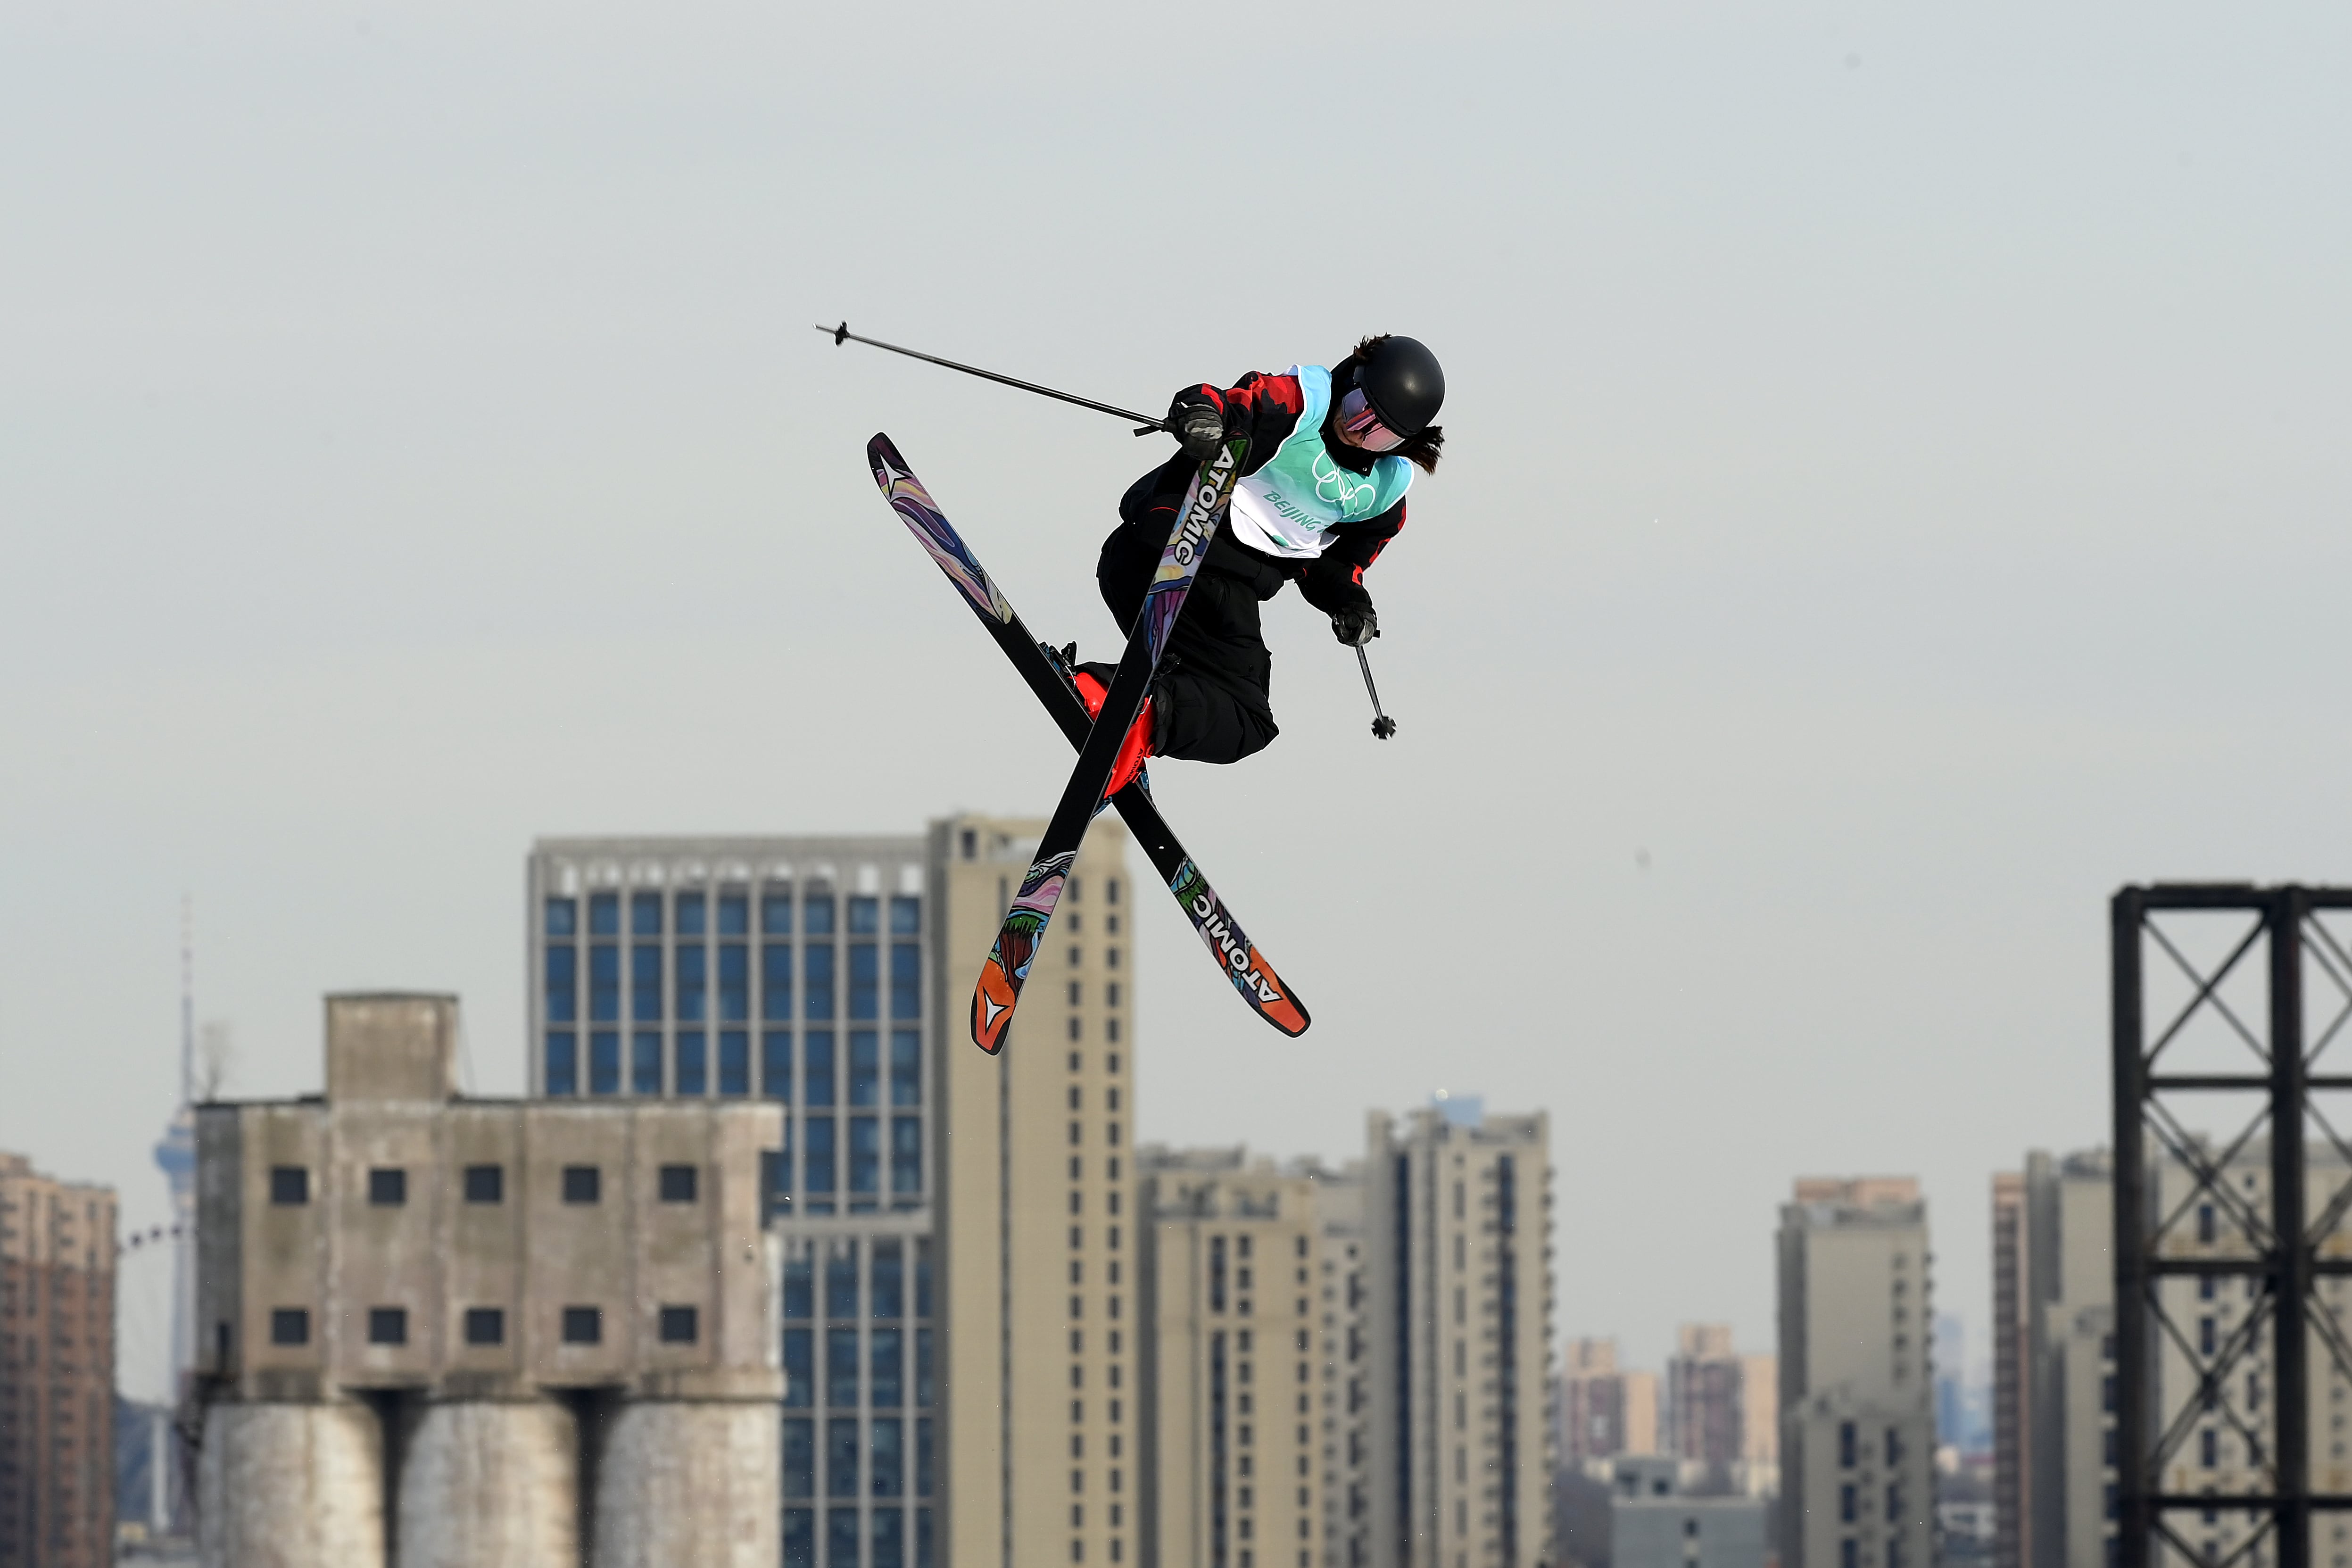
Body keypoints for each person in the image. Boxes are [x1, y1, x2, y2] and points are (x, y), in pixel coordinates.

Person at [1062, 334, 1444, 790]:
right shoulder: (1301, 405)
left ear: (1405, 442)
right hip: (1179, 545)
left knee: (1221, 700)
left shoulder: (1381, 497)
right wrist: (1201, 417)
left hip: (1186, 586)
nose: (1358, 430)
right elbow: (1228, 403)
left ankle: (1123, 717)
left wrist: (1349, 602)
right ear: (1351, 378)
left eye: (1380, 432)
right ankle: (1134, 716)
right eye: (1359, 407)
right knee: (1248, 716)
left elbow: (1333, 566)